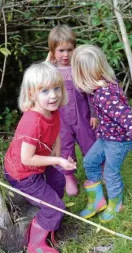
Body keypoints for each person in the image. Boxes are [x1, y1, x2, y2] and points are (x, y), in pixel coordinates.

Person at [71, 45, 132, 223]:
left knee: (111, 172)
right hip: (106, 136)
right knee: (90, 161)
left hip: (119, 141)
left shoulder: (105, 95)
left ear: (83, 75)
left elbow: (126, 117)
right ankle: (97, 200)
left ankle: (116, 204)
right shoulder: (101, 87)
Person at [4, 62, 76, 253]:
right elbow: (27, 159)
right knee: (54, 206)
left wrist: (58, 157)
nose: (53, 95)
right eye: (44, 91)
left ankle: (50, 221)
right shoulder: (32, 122)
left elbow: (57, 134)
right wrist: (57, 159)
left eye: (56, 89)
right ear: (32, 94)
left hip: (39, 164)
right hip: (22, 174)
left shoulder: (53, 111)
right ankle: (35, 245)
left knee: (59, 182)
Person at [47, 25, 98, 197]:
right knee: (64, 148)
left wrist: (94, 113)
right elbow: (39, 87)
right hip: (61, 120)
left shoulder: (80, 67)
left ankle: (97, 172)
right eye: (61, 50)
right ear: (52, 51)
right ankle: (68, 177)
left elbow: (91, 92)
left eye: (70, 50)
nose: (66, 55)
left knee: (90, 144)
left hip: (83, 117)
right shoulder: (50, 71)